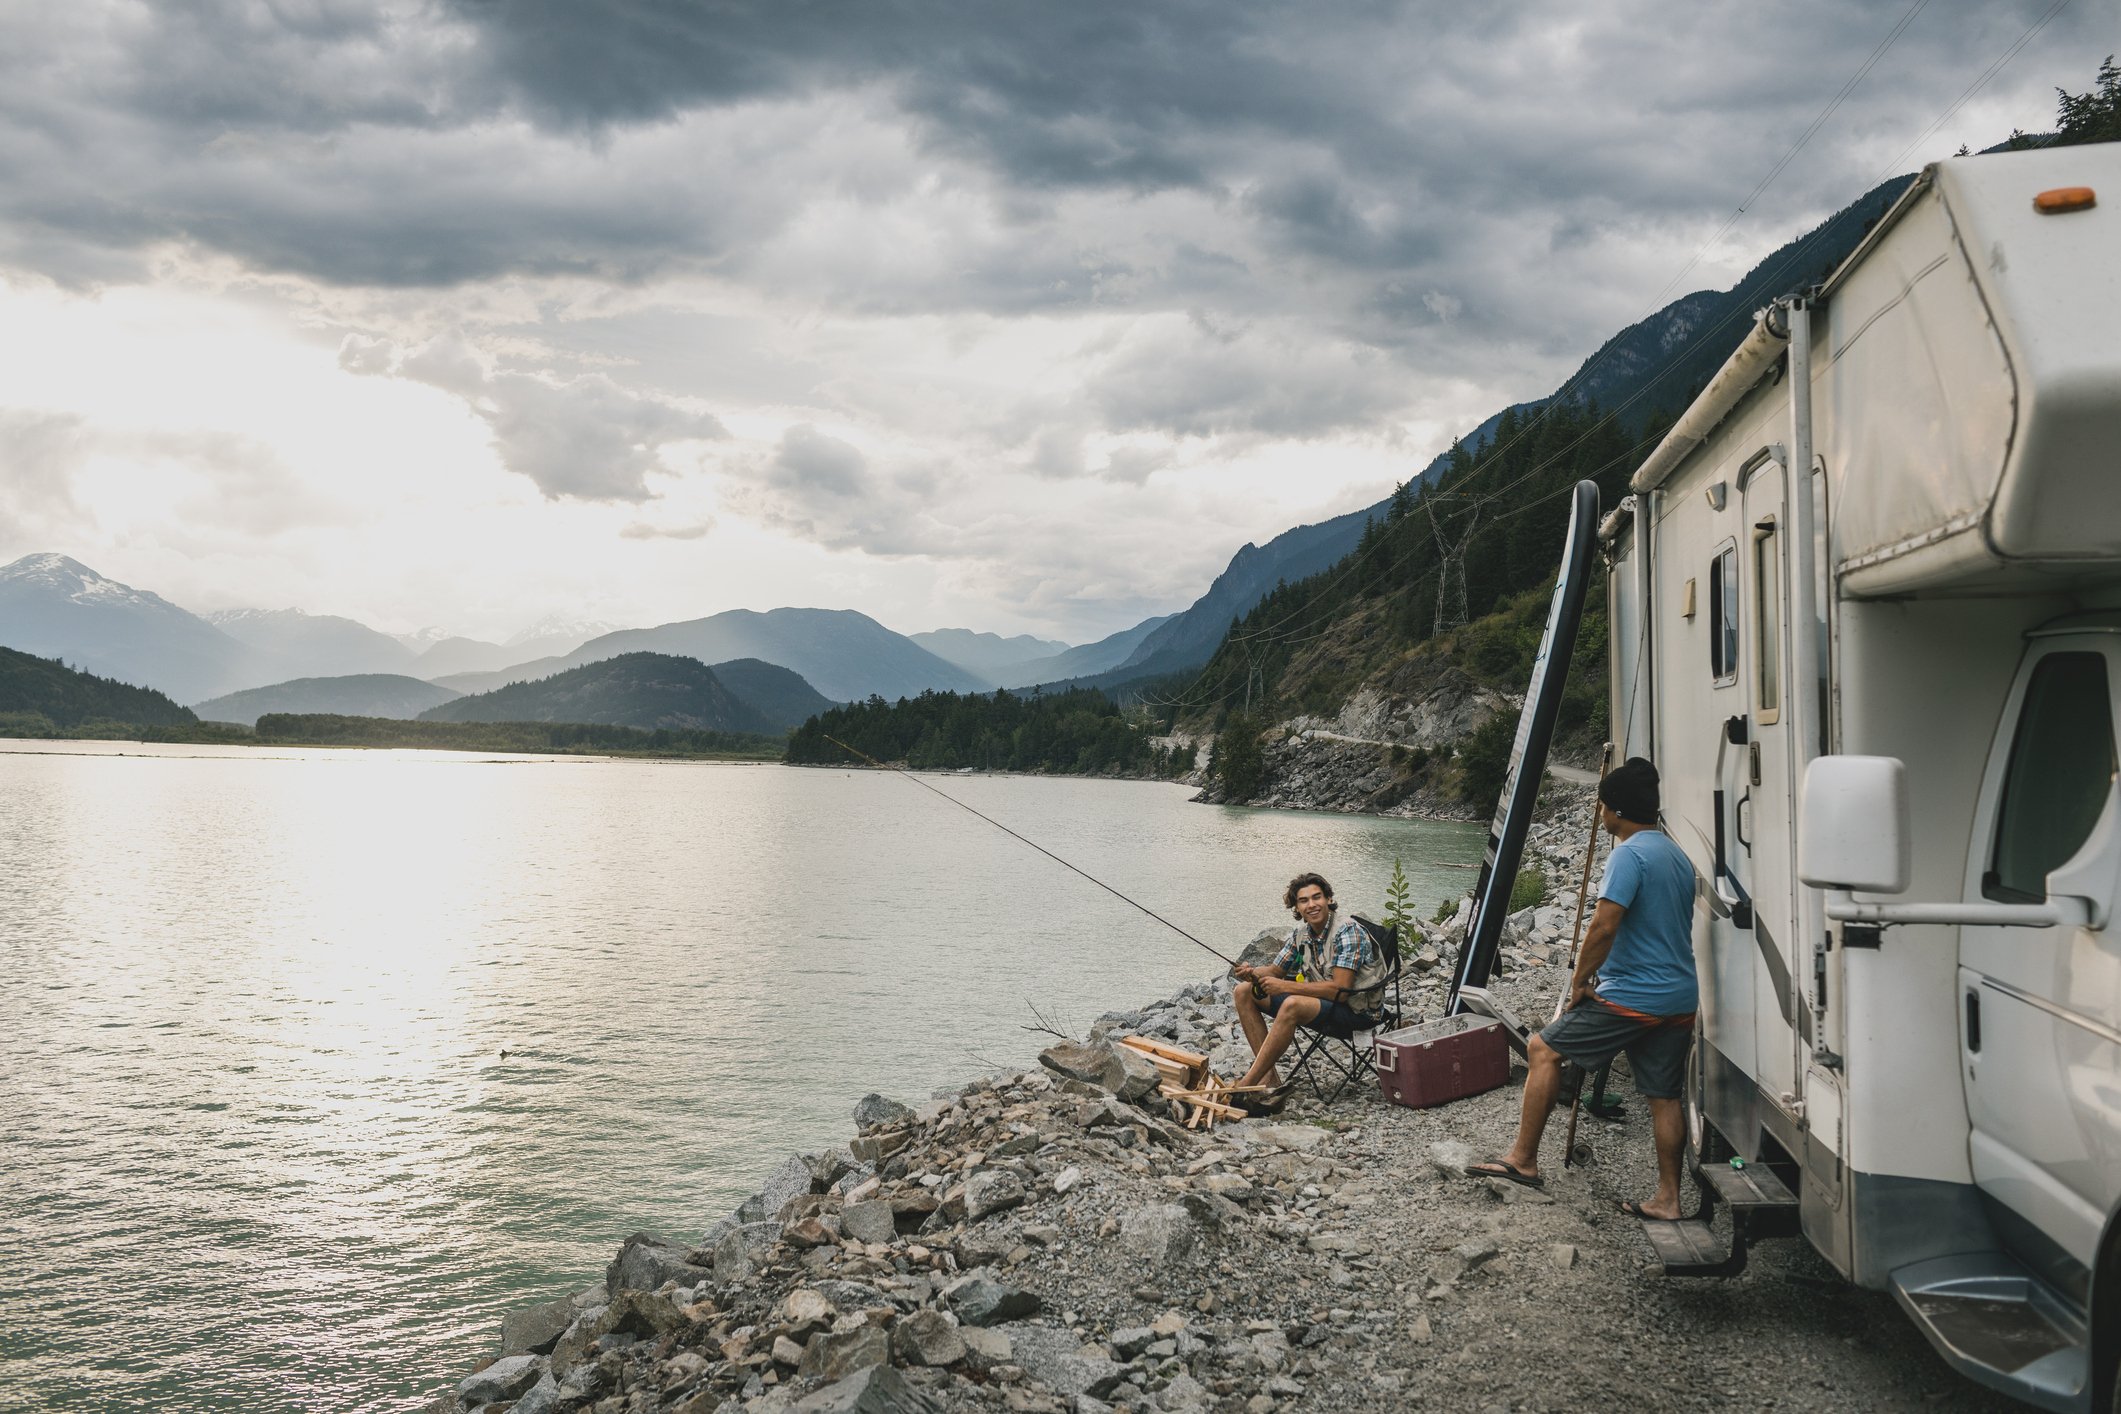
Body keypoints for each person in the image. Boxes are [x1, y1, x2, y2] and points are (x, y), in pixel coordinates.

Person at [1466, 757, 1698, 1219]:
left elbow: (1604, 926)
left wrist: (1579, 983)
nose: (1599, 814)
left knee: (1542, 1049)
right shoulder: (1677, 855)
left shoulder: (1628, 854)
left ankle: (1523, 1162)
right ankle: (1669, 1199)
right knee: (1664, 1097)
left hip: (1635, 996)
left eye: (1602, 807)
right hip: (1679, 996)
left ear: (1616, 810)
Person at [1229, 872, 1387, 1108]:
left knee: (1292, 1003)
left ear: (1328, 899)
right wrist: (1251, 972)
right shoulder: (1300, 935)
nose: (1312, 905)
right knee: (1243, 991)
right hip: (1324, 1005)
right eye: (1304, 900)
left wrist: (1284, 987)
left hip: (1357, 1012)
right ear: (1297, 907)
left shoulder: (1347, 931)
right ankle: (1269, 1081)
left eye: (1317, 897)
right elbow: (1275, 970)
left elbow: (1341, 990)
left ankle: (1247, 1085)